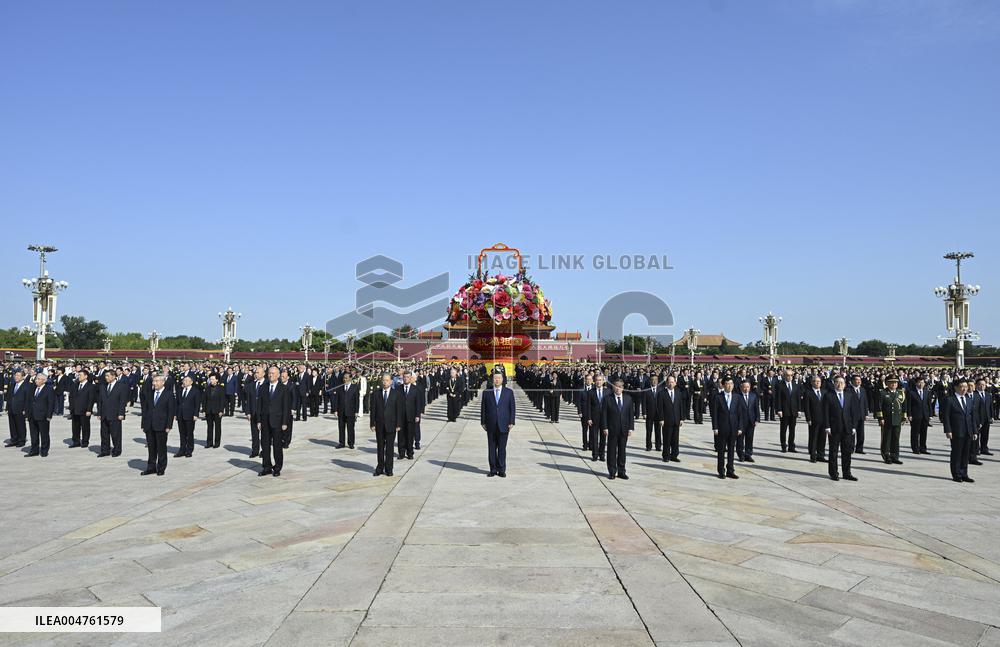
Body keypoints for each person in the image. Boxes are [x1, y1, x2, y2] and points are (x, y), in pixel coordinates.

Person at [941, 379, 976, 483]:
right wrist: (948, 430)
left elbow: (972, 416)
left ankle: (964, 473)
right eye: (962, 386)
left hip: (968, 430)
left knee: (966, 453)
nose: (964, 389)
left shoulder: (969, 399)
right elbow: (946, 416)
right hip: (956, 430)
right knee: (957, 453)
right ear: (956, 387)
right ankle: (956, 474)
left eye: (966, 387)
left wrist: (974, 431)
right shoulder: (950, 400)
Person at [257, 366, 290, 477]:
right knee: (265, 445)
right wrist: (259, 420)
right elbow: (259, 406)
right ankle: (266, 467)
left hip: (278, 421)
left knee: (277, 446)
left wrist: (285, 422)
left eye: (273, 373)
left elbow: (286, 407)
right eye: (269, 373)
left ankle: (277, 467)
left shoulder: (283, 388)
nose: (270, 375)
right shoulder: (263, 387)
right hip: (265, 421)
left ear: (278, 375)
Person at [824, 376, 859, 481]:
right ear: (834, 383)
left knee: (847, 452)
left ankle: (847, 473)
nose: (839, 385)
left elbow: (854, 412)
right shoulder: (828, 395)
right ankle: (834, 473)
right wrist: (827, 426)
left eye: (842, 383)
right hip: (834, 428)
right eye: (837, 382)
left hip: (847, 428)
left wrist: (854, 426)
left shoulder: (849, 395)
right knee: (833, 452)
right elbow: (825, 412)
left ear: (845, 384)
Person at [711, 377, 747, 479]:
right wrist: (715, 427)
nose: (729, 386)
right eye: (727, 383)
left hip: (733, 427)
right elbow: (714, 414)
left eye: (731, 383)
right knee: (721, 450)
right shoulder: (718, 397)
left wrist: (740, 427)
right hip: (722, 428)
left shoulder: (737, 397)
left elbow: (740, 413)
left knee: (731, 450)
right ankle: (721, 470)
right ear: (723, 385)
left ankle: (730, 470)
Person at [481, 371, 515, 477]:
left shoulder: (509, 392)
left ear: (502, 379)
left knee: (502, 448)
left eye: (499, 378)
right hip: (490, 424)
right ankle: (492, 469)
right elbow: (483, 408)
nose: (497, 380)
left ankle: (501, 469)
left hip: (504, 424)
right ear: (492, 379)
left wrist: (512, 422)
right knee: (491, 447)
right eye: (495, 378)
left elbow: (512, 408)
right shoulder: (486, 392)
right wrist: (483, 422)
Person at [141, 375, 175, 475]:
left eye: (156, 381)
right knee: (151, 448)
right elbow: (145, 410)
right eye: (153, 381)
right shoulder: (149, 394)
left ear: (163, 382)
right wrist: (144, 424)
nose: (154, 383)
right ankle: (151, 467)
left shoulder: (168, 394)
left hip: (162, 425)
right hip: (149, 425)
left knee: (161, 448)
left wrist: (169, 425)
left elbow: (170, 411)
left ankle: (161, 468)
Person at [370, 373, 404, 476]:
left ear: (391, 381)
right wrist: (372, 423)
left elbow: (399, 410)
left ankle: (389, 468)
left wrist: (398, 424)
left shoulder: (396, 393)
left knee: (390, 448)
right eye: (383, 380)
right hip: (379, 425)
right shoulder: (376, 394)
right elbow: (373, 410)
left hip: (391, 424)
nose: (385, 382)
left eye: (387, 380)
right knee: (380, 447)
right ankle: (380, 467)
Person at [600, 379, 633, 480]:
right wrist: (605, 427)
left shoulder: (628, 399)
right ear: (613, 387)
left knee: (622, 451)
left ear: (623, 388)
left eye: (620, 386)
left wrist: (631, 428)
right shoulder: (607, 399)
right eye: (616, 386)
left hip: (624, 429)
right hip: (612, 429)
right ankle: (612, 471)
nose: (618, 388)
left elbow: (630, 414)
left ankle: (621, 471)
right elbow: (604, 414)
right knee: (611, 451)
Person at [98, 369, 129, 457]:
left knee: (116, 434)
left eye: (108, 376)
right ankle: (105, 450)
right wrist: (99, 413)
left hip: (115, 414)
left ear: (114, 376)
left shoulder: (121, 386)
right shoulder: (103, 386)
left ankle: (117, 450)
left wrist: (121, 413)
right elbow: (100, 400)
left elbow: (122, 401)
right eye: (105, 376)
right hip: (104, 414)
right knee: (104, 434)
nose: (106, 378)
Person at [877, 376, 906, 465]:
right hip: (886, 419)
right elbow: (878, 406)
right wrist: (880, 418)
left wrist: (904, 417)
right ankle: (886, 455)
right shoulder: (882, 393)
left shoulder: (900, 393)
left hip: (897, 418)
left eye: (895, 383)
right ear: (887, 383)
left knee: (896, 438)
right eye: (891, 383)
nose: (894, 384)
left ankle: (895, 456)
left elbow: (904, 406)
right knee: (887, 438)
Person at [25, 373, 54, 457]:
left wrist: (49, 416)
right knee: (33, 434)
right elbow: (28, 402)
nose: (36, 380)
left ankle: (44, 450)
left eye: (38, 379)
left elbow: (51, 403)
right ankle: (34, 450)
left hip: (43, 416)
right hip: (32, 415)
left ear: (44, 380)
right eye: (36, 378)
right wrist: (27, 414)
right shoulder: (32, 388)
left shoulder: (49, 389)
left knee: (44, 434)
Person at [68, 369, 96, 448]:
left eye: (80, 375)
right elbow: (71, 397)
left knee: (85, 427)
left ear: (86, 376)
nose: (79, 376)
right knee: (75, 427)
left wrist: (89, 410)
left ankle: (85, 441)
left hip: (85, 410)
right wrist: (71, 407)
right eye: (78, 375)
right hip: (75, 409)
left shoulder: (91, 386)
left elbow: (91, 399)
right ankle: (76, 441)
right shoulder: (75, 385)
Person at [658, 375, 683, 463]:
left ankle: (674, 455)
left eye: (672, 382)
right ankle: (666, 456)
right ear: (666, 383)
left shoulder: (678, 392)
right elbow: (659, 408)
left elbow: (680, 406)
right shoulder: (662, 393)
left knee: (675, 439)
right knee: (666, 439)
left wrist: (681, 418)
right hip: (666, 420)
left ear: (675, 383)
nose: (671, 384)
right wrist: (661, 419)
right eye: (669, 382)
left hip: (676, 419)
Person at [175, 376, 201, 458]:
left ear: (191, 382)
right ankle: (182, 450)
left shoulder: (195, 391)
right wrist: (175, 414)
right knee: (182, 434)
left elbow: (197, 404)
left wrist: (196, 414)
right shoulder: (180, 390)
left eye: (186, 381)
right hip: (180, 415)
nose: (184, 382)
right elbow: (177, 403)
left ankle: (189, 450)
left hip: (190, 415)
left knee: (189, 433)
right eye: (184, 380)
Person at [399, 371, 423, 460]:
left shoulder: (415, 389)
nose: (406, 379)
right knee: (401, 435)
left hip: (411, 416)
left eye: (408, 377)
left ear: (410, 378)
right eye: (404, 377)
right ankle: (401, 453)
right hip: (401, 416)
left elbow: (418, 403)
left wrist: (417, 415)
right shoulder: (398, 388)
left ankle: (410, 453)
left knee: (410, 435)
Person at [774, 369, 799, 452]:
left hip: (793, 411)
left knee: (792, 430)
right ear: (784, 376)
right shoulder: (780, 385)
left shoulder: (795, 384)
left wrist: (799, 409)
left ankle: (791, 446)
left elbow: (797, 398)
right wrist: (779, 410)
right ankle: (783, 446)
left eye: (791, 375)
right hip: (784, 411)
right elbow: (778, 398)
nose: (790, 377)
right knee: (783, 430)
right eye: (788, 375)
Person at [803, 376, 826, 463]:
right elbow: (806, 407)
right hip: (813, 419)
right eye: (815, 381)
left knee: (822, 438)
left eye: (819, 381)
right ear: (812, 383)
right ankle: (813, 455)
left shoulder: (824, 392)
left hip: (823, 419)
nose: (817, 383)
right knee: (813, 438)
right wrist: (808, 418)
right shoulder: (808, 393)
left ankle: (821, 455)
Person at [243, 366, 265, 458]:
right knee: (254, 433)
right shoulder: (252, 385)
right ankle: (255, 450)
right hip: (253, 412)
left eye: (258, 372)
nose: (256, 374)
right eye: (256, 372)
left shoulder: (267, 384)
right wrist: (247, 412)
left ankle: (264, 451)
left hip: (263, 413)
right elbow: (248, 400)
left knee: (264, 434)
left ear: (263, 374)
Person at [908, 377, 933, 455]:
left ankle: (923, 448)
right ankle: (915, 448)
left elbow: (929, 404)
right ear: (916, 383)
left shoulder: (927, 392)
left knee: (924, 432)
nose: (921, 384)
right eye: (919, 382)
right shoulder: (911, 392)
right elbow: (908, 405)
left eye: (922, 382)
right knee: (915, 433)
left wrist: (930, 414)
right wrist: (909, 414)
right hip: (915, 415)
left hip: (925, 415)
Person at [587, 374, 609, 462]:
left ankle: (602, 454)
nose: (598, 382)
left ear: (603, 381)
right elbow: (588, 406)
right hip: (594, 418)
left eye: (600, 380)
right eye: (597, 380)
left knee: (603, 437)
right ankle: (595, 455)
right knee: (594, 437)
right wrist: (589, 418)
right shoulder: (591, 392)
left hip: (604, 418)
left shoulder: (608, 392)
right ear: (594, 381)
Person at [737, 379, 759, 462]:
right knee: (740, 440)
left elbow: (756, 408)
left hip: (751, 421)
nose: (746, 389)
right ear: (741, 387)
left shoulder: (753, 396)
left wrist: (757, 419)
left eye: (748, 387)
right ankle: (741, 455)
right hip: (740, 422)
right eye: (744, 387)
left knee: (749, 439)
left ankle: (748, 454)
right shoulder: (737, 396)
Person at [337, 372, 360, 449]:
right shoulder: (340, 387)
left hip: (351, 411)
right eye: (344, 378)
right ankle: (341, 443)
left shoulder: (355, 387)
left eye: (346, 378)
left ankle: (351, 443)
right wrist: (336, 410)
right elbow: (337, 400)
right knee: (341, 427)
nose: (345, 379)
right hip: (341, 411)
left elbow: (357, 400)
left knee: (350, 428)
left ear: (350, 378)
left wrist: (356, 411)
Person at [5, 370, 28, 448]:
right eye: (15, 375)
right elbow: (9, 396)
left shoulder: (26, 386)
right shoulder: (12, 385)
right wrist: (7, 407)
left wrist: (25, 409)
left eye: (18, 375)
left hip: (20, 409)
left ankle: (21, 440)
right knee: (12, 425)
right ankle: (14, 440)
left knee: (20, 425)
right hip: (11, 408)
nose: (16, 377)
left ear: (23, 377)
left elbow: (27, 399)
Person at [204, 373, 226, 448]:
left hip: (217, 410)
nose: (211, 381)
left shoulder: (221, 388)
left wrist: (221, 410)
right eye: (210, 379)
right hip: (209, 410)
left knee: (217, 427)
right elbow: (204, 400)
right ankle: (209, 442)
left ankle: (217, 442)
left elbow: (222, 400)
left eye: (213, 379)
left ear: (217, 380)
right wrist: (204, 409)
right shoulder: (207, 388)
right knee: (209, 427)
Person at [849, 375, 869, 453]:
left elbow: (865, 402)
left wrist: (866, 413)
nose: (859, 381)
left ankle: (859, 448)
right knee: (852, 433)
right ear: (852, 381)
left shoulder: (862, 390)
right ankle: (850, 448)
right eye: (857, 380)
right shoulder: (848, 390)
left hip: (861, 414)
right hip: (852, 415)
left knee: (861, 433)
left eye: (859, 380)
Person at [973, 378, 993, 456]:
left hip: (986, 418)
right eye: (980, 385)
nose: (982, 386)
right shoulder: (974, 395)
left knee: (985, 435)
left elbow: (990, 406)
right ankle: (976, 449)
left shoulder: (988, 395)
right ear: (976, 385)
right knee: (976, 435)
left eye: (983, 385)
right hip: (978, 419)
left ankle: (984, 448)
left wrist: (991, 416)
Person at [643, 374, 661, 452]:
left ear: (657, 381)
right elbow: (643, 403)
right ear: (650, 381)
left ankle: (658, 446)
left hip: (658, 414)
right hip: (649, 413)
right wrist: (644, 413)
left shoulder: (661, 390)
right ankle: (648, 446)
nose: (654, 381)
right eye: (652, 380)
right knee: (649, 431)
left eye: (655, 380)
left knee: (658, 431)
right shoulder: (646, 390)